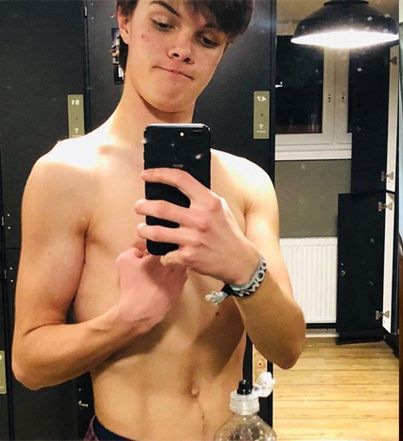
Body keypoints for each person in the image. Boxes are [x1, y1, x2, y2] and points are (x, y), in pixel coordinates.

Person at [11, 0, 306, 439]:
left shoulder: (249, 184)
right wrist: (130, 317)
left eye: (206, 39)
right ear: (125, 20)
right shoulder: (66, 175)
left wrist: (243, 266)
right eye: (164, 24)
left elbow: (288, 348)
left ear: (223, 51)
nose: (182, 50)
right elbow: (29, 363)